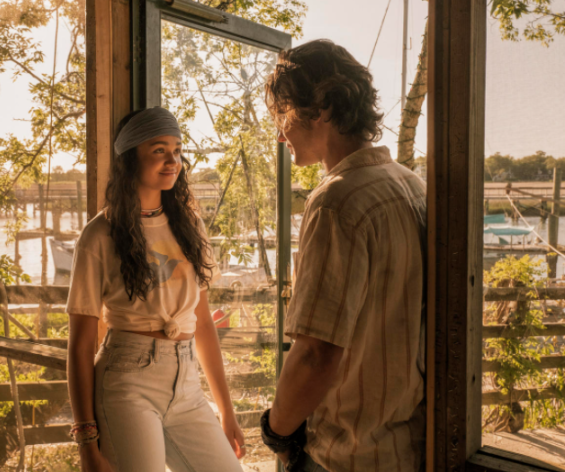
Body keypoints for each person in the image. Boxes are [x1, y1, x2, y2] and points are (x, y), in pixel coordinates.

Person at [260, 40, 427, 472]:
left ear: (319, 108)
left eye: (282, 116)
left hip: (346, 454)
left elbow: (316, 353)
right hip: (407, 447)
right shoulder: (411, 185)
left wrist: (276, 430)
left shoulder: (338, 202)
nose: (279, 134)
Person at [66, 107, 246, 472]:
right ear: (131, 157)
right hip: (126, 385)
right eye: (159, 150)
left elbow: (203, 321)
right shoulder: (99, 235)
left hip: (187, 384)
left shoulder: (190, 225)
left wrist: (226, 411)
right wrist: (87, 441)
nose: (172, 161)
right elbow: (80, 344)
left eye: (177, 150)